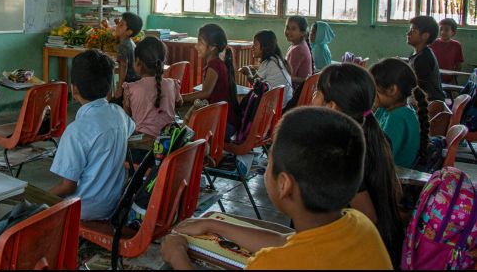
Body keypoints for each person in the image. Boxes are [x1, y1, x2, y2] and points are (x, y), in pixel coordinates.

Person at [160, 107, 393, 270]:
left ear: (284, 184)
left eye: (269, 160)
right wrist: (213, 224)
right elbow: (288, 240)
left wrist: (178, 258)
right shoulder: (359, 224)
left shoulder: (271, 264)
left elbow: (286, 249)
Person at [312, 63, 404, 266]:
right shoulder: (376, 135)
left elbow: (367, 217)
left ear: (332, 106)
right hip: (385, 244)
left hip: (351, 253)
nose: (313, 98)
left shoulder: (342, 150)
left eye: (317, 92)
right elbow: (394, 192)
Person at [49, 50, 136, 220]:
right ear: (110, 86)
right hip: (113, 206)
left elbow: (68, 187)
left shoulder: (76, 131)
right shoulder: (119, 114)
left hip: (84, 210)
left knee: (31, 205)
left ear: (74, 89)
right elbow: (132, 128)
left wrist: (40, 199)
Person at [370, 58, 430, 169]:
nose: (371, 94)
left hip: (394, 176)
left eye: (374, 89)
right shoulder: (384, 109)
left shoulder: (398, 117)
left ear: (392, 89)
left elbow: (381, 157)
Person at [123, 36, 182, 138]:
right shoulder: (172, 84)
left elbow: (127, 115)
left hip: (142, 145)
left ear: (137, 62)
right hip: (168, 143)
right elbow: (179, 103)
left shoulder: (130, 88)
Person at [181, 24, 237, 108]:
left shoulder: (214, 65)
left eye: (200, 42)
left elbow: (205, 93)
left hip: (220, 118)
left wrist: (181, 97)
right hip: (219, 114)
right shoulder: (217, 63)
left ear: (212, 47)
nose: (196, 46)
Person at [241, 30, 293, 104]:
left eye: (255, 44)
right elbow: (262, 78)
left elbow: (254, 82)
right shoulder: (277, 59)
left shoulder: (268, 62)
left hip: (278, 106)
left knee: (247, 101)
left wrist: (247, 70)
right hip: (286, 102)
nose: (252, 47)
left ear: (265, 47)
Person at [407, 15, 446, 102]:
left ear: (425, 36)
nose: (408, 33)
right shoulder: (417, 54)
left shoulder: (423, 59)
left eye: (413, 30)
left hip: (429, 105)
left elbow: (419, 88)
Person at [113, 12, 143, 102]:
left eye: (121, 25)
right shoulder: (129, 42)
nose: (117, 26)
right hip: (135, 80)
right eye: (119, 23)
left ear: (129, 32)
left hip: (129, 82)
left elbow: (123, 66)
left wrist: (120, 88)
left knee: (115, 103)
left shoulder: (124, 46)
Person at [430, 17, 464, 84]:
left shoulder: (456, 45)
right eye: (441, 29)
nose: (443, 32)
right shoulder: (432, 43)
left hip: (448, 79)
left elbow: (458, 65)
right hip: (433, 78)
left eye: (446, 30)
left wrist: (454, 79)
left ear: (453, 32)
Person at [284, 16, 313, 88]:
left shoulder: (298, 50)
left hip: (297, 94)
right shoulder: (297, 45)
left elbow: (289, 76)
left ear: (303, 33)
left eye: (293, 29)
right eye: (287, 28)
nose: (288, 31)